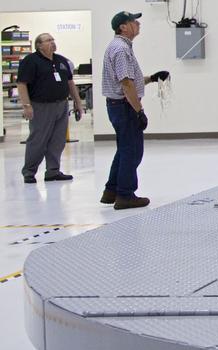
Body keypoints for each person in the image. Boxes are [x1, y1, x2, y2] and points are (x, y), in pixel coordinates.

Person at [100, 11, 169, 210]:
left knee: (124, 150)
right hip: (124, 107)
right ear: (123, 27)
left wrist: (152, 78)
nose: (138, 24)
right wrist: (139, 111)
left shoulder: (120, 47)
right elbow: (126, 84)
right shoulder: (121, 49)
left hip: (118, 105)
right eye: (133, 21)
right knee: (132, 151)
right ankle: (125, 195)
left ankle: (111, 190)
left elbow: (131, 81)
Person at [16, 33, 85, 184]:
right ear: (39, 45)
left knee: (58, 140)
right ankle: (29, 172)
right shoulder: (30, 61)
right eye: (48, 41)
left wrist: (78, 103)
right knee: (38, 140)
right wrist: (26, 105)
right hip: (41, 106)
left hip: (61, 104)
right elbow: (21, 84)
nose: (52, 43)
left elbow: (70, 83)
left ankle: (53, 171)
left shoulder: (61, 60)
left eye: (53, 40)